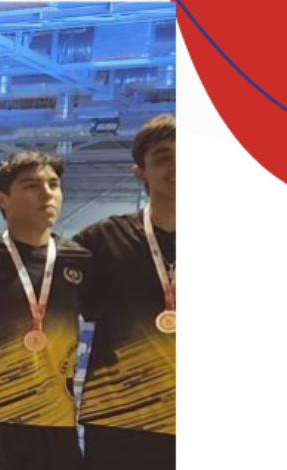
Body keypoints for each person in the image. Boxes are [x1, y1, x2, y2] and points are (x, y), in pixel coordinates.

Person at [0, 151, 89, 470]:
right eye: (31, 185)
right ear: (2, 199)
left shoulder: (79, 259)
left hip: (56, 424)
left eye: (53, 184)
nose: (46, 194)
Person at [73, 114, 176, 470]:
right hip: (118, 417)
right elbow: (35, 269)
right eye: (163, 156)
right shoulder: (102, 239)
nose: (177, 165)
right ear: (140, 171)